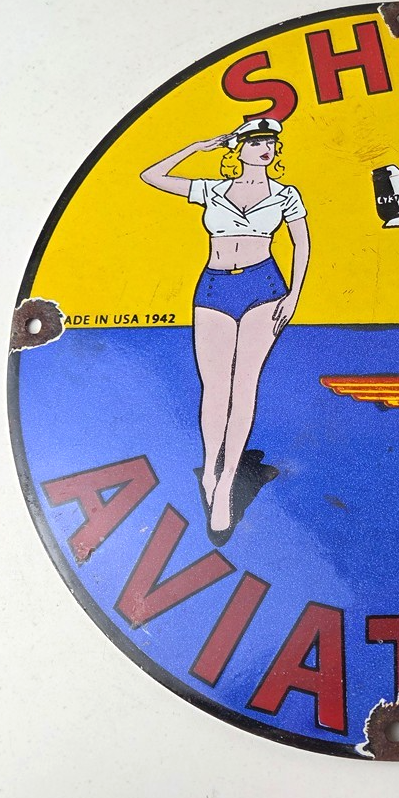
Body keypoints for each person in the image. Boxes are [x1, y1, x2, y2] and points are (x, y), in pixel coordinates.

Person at [140, 118, 310, 541]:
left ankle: (227, 481)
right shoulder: (211, 189)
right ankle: (210, 471)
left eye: (270, 142)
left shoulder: (285, 194)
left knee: (244, 384)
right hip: (215, 287)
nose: (265, 147)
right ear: (238, 148)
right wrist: (197, 145)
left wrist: (293, 296)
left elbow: (301, 244)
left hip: (264, 286)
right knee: (215, 387)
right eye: (255, 141)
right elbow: (151, 176)